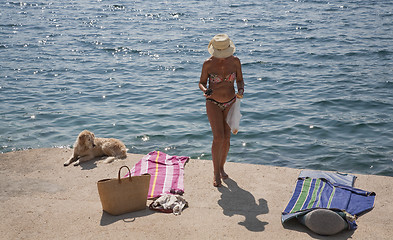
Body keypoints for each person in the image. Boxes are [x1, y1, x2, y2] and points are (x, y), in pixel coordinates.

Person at [199, 34, 244, 187]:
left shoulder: (236, 62)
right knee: (218, 137)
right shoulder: (208, 64)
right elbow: (201, 82)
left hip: (230, 102)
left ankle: (221, 167)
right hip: (213, 103)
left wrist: (241, 90)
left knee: (226, 138)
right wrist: (205, 90)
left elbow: (239, 80)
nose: (223, 58)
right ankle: (215, 172)